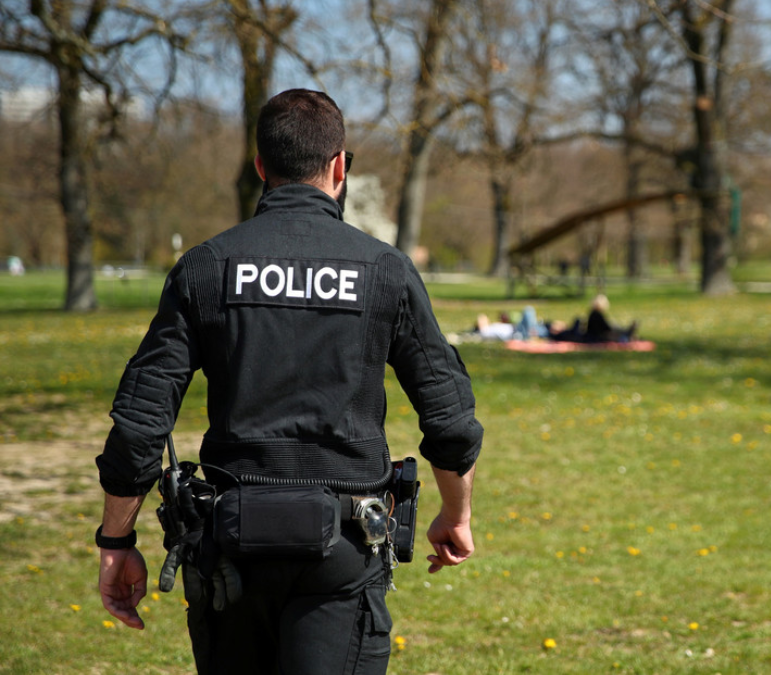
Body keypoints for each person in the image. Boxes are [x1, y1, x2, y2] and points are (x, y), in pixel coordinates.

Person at [95, 89, 483, 675]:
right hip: (345, 548)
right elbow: (448, 416)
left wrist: (116, 543)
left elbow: (142, 420)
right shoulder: (385, 271)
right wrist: (456, 514)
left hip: (230, 543)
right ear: (339, 167)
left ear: (260, 168)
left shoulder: (206, 266)